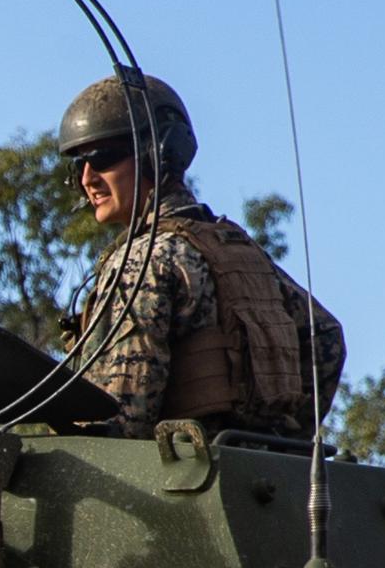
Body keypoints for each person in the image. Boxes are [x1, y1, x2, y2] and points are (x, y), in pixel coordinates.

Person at [58, 71, 345, 440]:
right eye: (77, 164)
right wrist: (280, 439)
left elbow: (119, 417)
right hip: (254, 474)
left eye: (102, 158)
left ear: (156, 153)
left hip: (176, 484)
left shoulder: (143, 260)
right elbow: (326, 336)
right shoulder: (236, 250)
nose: (87, 179)